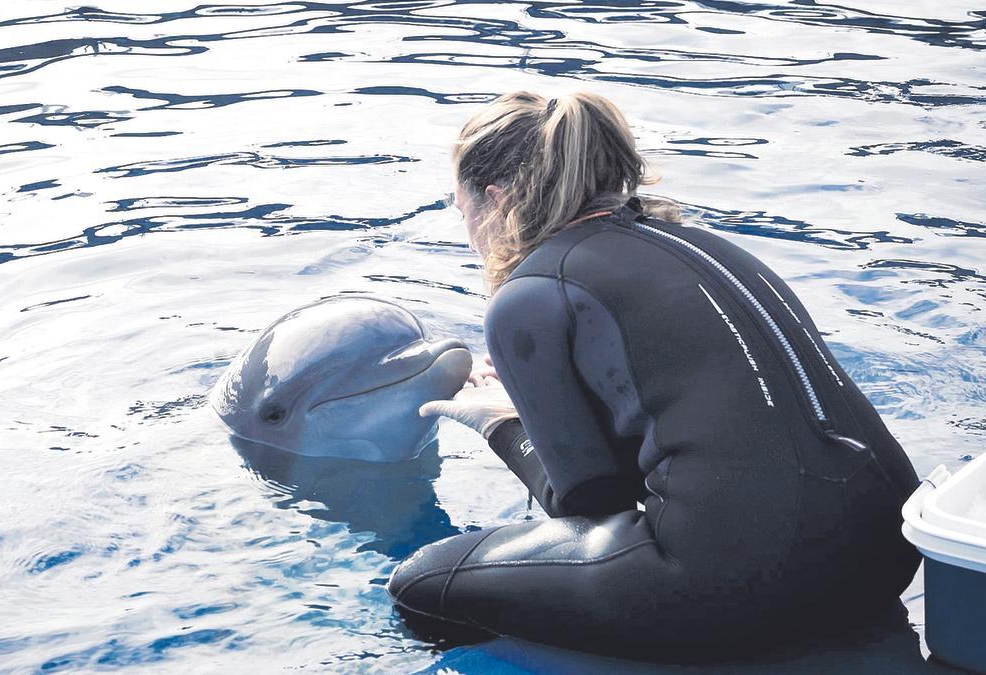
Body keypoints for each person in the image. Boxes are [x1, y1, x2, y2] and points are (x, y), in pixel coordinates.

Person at [386, 91, 922, 661]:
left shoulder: (529, 296)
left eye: (458, 199)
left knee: (423, 582)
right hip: (887, 552)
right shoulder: (705, 245)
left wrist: (500, 424)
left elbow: (589, 507)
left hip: (749, 588)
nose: (459, 215)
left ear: (493, 200)